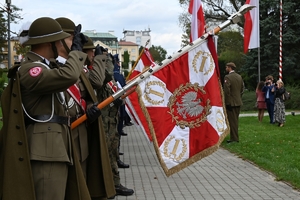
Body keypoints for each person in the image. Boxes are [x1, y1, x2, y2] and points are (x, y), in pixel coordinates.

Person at [0, 17, 91, 200]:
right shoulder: (30, 69)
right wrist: (76, 53)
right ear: (50, 43)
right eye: (60, 40)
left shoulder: (46, 67)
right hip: (45, 151)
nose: (62, 45)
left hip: (54, 147)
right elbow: (70, 75)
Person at [55, 17, 115, 199]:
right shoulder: (55, 68)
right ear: (59, 40)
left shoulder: (77, 68)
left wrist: (90, 107)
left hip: (81, 133)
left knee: (81, 188)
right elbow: (96, 82)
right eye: (72, 40)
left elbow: (84, 94)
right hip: (63, 136)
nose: (76, 45)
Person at [96, 52, 134, 198]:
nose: (111, 65)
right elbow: (103, 103)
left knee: (112, 154)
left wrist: (118, 101)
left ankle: (114, 184)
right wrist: (114, 102)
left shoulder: (110, 80)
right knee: (107, 156)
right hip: (104, 124)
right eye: (107, 62)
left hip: (112, 122)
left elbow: (113, 99)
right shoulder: (99, 79)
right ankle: (109, 185)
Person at [224, 62, 244, 143]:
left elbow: (227, 91)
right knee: (235, 120)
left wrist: (227, 102)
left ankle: (234, 138)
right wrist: (238, 97)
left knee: (232, 121)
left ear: (229, 67)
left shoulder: (227, 77)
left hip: (231, 103)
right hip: (238, 101)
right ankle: (234, 137)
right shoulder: (239, 77)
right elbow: (242, 89)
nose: (226, 68)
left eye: (226, 67)